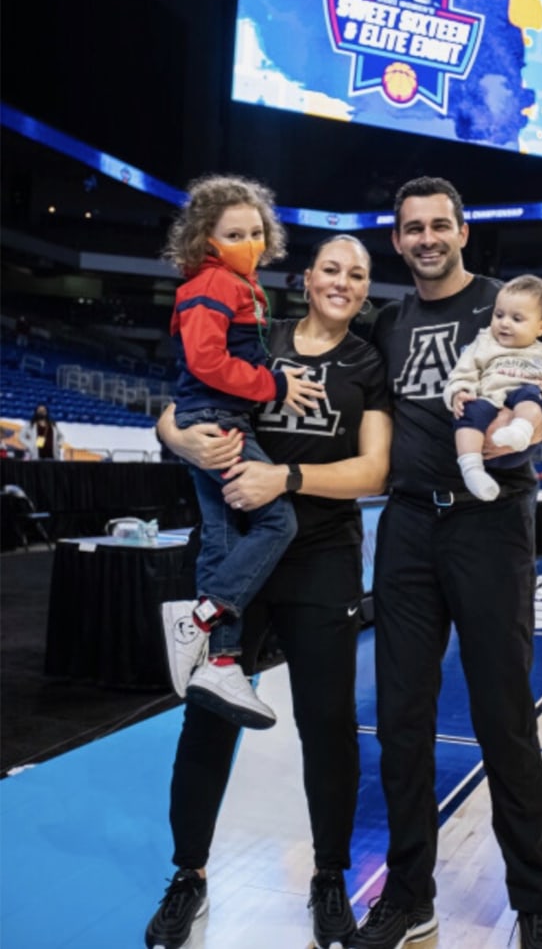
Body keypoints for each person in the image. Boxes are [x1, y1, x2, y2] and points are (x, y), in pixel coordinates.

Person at [352, 176, 542, 949]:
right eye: (411, 228)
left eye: (440, 225)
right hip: (405, 529)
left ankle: (533, 902)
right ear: (396, 241)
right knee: (400, 718)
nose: (426, 238)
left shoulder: (509, 301)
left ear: (463, 232)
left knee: (503, 717)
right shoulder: (388, 322)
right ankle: (409, 896)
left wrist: (527, 430)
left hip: (491, 525)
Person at [145, 234, 392, 949]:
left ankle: (328, 876)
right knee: (208, 718)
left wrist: (283, 479)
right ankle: (188, 875)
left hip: (323, 559)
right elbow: (177, 409)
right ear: (307, 277)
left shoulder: (367, 363)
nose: (342, 282)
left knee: (328, 726)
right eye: (331, 270)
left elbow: (374, 471)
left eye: (357, 274)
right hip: (239, 553)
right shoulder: (259, 332)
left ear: (365, 287)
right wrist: (182, 441)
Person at [160, 173, 325, 729]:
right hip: (217, 421)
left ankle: (223, 663)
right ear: (207, 237)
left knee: (225, 541)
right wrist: (277, 386)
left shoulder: (231, 285)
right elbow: (206, 364)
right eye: (235, 233)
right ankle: (201, 619)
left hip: (212, 417)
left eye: (257, 231)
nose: (249, 243)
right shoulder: (216, 284)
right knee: (278, 523)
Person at [443, 273, 542, 500]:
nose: (504, 323)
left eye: (517, 319)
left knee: (532, 395)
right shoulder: (484, 341)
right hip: (487, 408)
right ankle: (472, 470)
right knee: (469, 409)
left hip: (520, 444)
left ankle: (519, 431)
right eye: (499, 315)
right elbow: (462, 373)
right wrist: (459, 392)